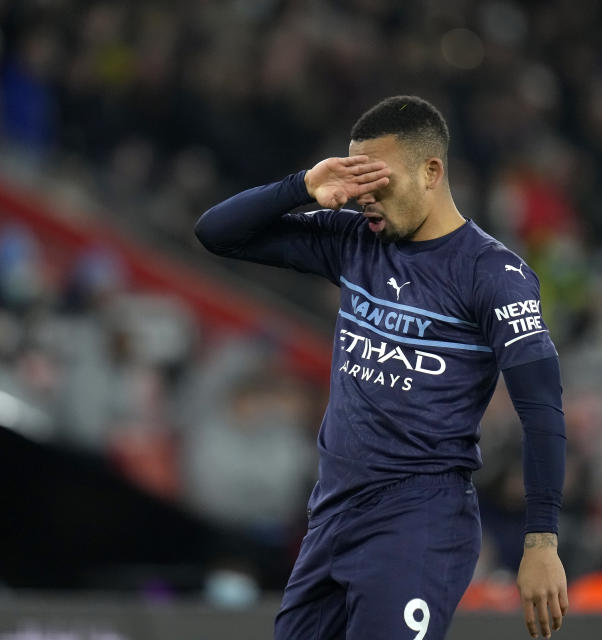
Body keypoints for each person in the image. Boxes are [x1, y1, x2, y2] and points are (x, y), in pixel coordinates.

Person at [195, 96, 569, 640]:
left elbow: (542, 409)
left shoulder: (494, 275)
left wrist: (541, 542)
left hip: (417, 523)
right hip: (332, 515)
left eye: (379, 179)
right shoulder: (354, 242)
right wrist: (303, 186)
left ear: (431, 171)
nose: (363, 196)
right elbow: (216, 232)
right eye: (356, 177)